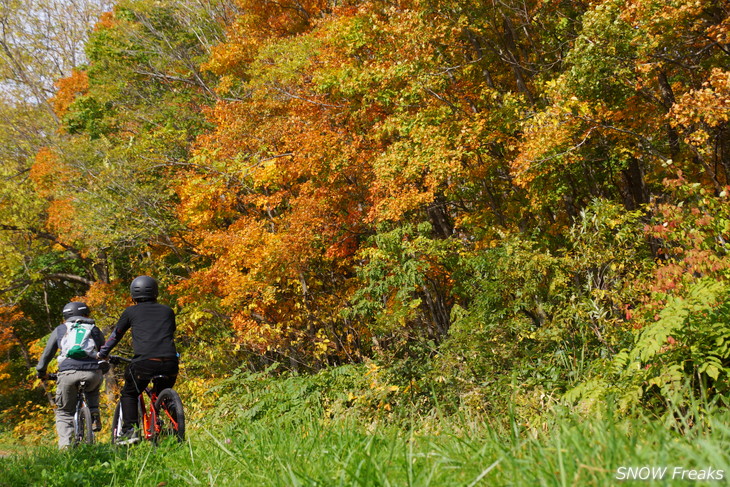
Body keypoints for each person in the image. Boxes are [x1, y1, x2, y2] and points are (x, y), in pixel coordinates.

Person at [97, 275, 179, 445]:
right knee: (163, 394)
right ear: (155, 292)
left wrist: (102, 353)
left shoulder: (130, 312)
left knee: (130, 393)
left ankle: (129, 431)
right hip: (171, 361)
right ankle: (175, 426)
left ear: (133, 295)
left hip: (145, 363)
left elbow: (115, 335)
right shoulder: (167, 311)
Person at [35, 301, 106, 449]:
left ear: (66, 316)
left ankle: (65, 448)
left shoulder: (61, 329)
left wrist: (41, 372)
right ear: (86, 314)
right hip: (92, 372)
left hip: (68, 373)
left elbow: (47, 353)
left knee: (64, 412)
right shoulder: (95, 329)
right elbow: (104, 352)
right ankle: (93, 413)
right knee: (93, 388)